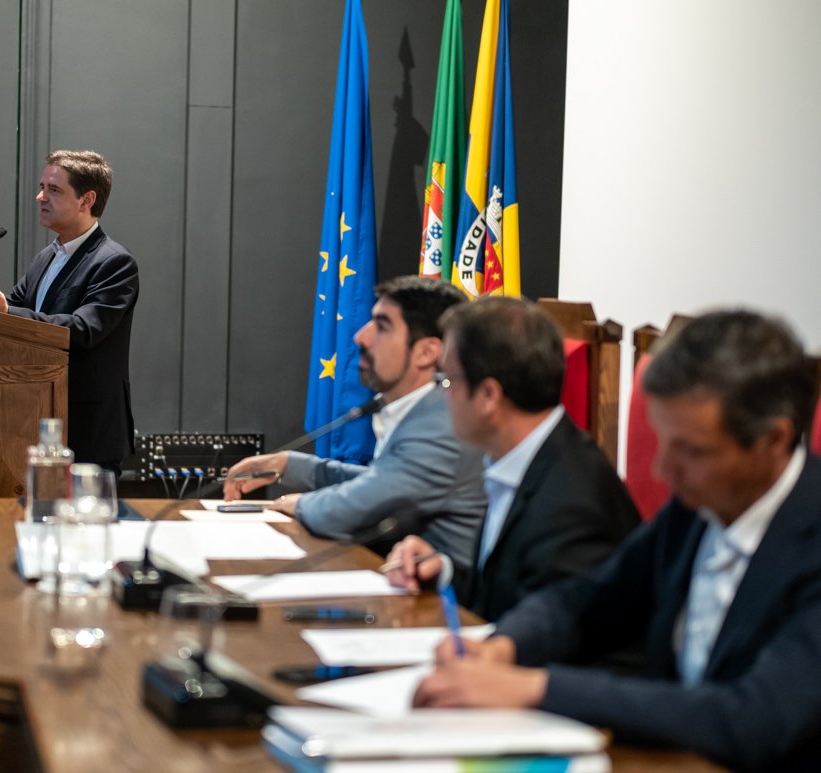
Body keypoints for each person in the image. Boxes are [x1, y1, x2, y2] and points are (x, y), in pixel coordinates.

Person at [411, 310, 821, 772]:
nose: (662, 470)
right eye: (664, 441)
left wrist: (537, 687)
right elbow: (589, 599)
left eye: (691, 450)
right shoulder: (698, 507)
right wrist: (505, 645)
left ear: (773, 439)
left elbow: (754, 718)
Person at [385, 297, 639, 621]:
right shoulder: (519, 458)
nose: (441, 394)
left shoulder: (571, 500)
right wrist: (441, 571)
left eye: (447, 380)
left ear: (488, 396)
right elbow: (506, 592)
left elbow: (550, 630)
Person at [224, 276, 486, 570]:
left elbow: (350, 509)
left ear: (426, 352)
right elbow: (378, 481)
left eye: (382, 326)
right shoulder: (428, 410)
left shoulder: (442, 423)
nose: (361, 337)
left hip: (450, 595)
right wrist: (286, 464)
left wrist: (297, 504)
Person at [0, 150, 137, 472]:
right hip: (35, 422)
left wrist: (5, 313)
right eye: (41, 187)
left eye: (54, 190)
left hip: (86, 432)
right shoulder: (46, 257)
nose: (40, 197)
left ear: (87, 200)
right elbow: (15, 311)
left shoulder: (114, 262)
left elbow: (83, 329)